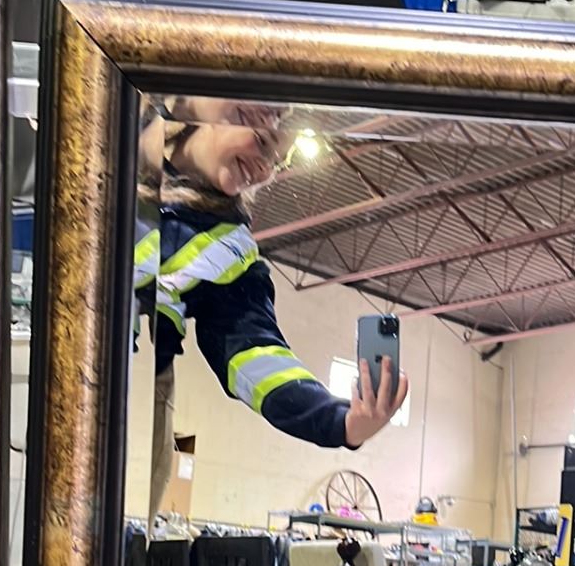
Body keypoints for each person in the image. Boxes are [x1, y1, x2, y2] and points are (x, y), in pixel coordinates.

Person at [138, 96, 408, 517]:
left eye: (275, 162)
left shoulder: (228, 248)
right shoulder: (99, 124)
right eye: (262, 139)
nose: (264, 171)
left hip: (127, 417)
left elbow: (256, 355)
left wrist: (341, 422)